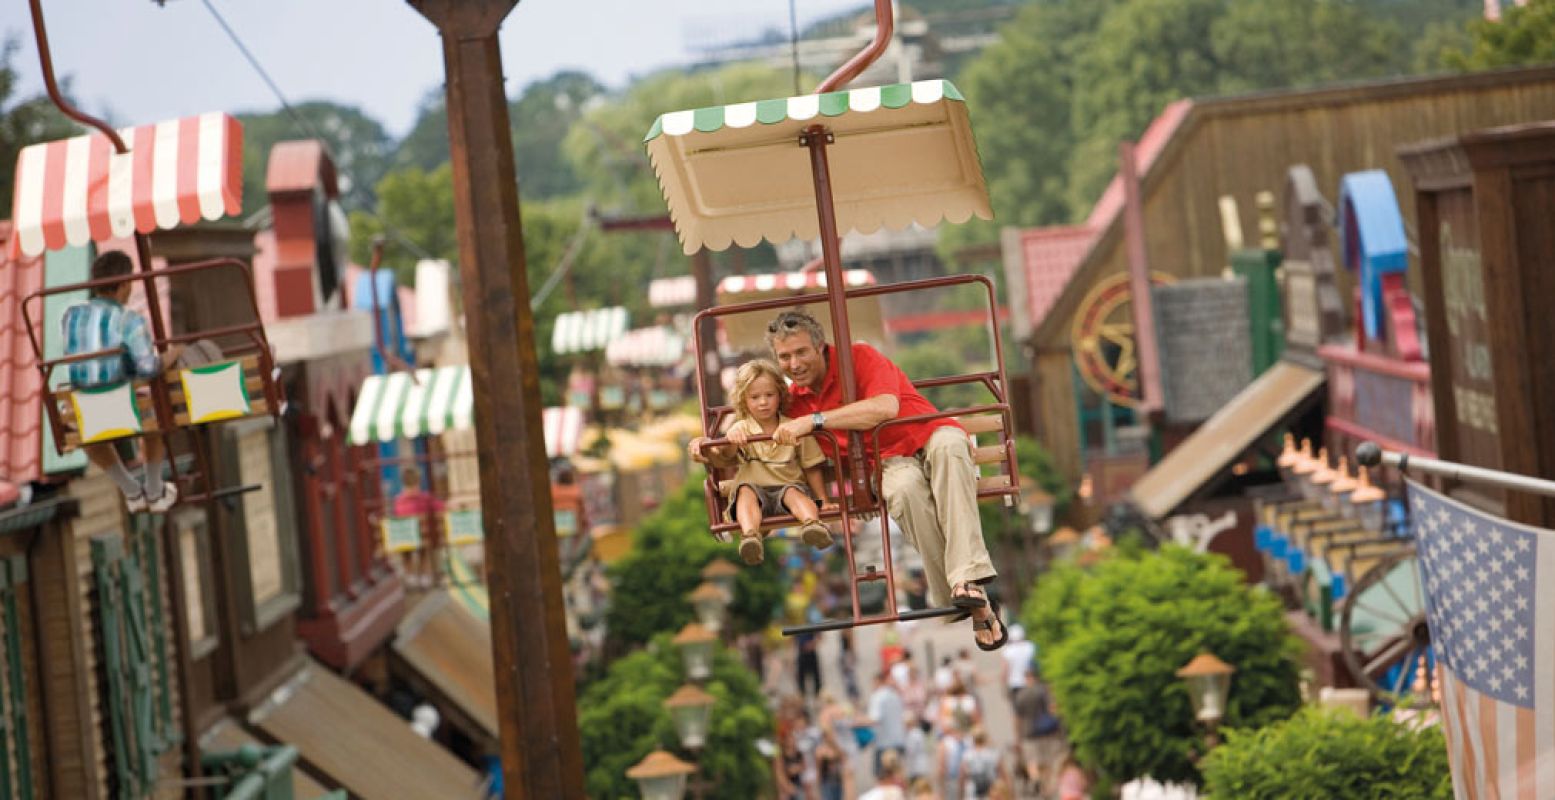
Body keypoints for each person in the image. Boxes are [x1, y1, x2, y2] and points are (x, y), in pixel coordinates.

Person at [765, 309, 1006, 650]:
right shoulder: (794, 402)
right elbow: (751, 418)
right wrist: (708, 445)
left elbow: (884, 408)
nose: (794, 363)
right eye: (784, 357)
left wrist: (816, 421)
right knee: (904, 491)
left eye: (801, 352)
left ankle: (964, 582)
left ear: (820, 346)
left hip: (927, 432)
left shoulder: (857, 358)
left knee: (951, 447)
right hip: (886, 462)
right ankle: (971, 593)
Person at [62, 250, 187, 513]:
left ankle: (131, 490)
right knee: (157, 413)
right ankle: (153, 489)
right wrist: (174, 352)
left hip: (85, 410)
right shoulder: (130, 320)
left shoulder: (70, 316)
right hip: (125, 407)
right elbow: (148, 367)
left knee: (88, 433)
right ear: (124, 283)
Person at [690, 359, 832, 565]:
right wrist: (732, 440)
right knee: (745, 492)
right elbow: (726, 457)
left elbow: (811, 467)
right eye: (755, 397)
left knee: (795, 493)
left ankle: (812, 525)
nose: (763, 402)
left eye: (769, 395)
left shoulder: (794, 428)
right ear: (744, 400)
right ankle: (750, 536)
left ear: (780, 395)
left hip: (788, 486)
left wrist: (823, 501)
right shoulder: (742, 429)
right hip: (755, 490)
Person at [1013, 665, 1064, 799]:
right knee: (1046, 761)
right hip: (1046, 731)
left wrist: (1017, 737)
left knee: (1031, 760)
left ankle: (1035, 779)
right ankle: (1046, 790)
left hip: (1028, 732)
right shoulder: (1043, 691)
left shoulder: (1020, 695)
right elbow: (1052, 709)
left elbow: (1017, 718)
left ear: (1025, 678)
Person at [393, 464, 445, 588]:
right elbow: (440, 507)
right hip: (422, 536)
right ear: (418, 481)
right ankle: (425, 575)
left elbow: (396, 515)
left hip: (405, 538)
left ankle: (410, 575)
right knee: (424, 546)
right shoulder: (425, 498)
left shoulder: (399, 500)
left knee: (405, 548)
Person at [868, 669, 908, 777]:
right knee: (898, 775)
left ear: (878, 681)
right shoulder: (895, 695)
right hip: (899, 740)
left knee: (883, 777)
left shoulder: (878, 696)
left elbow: (874, 719)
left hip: (884, 744)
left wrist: (853, 722)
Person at [1000, 624, 1036, 704]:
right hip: (1030, 683)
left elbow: (1005, 671)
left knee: (1018, 711)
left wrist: (1003, 687)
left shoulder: (1007, 651)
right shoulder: (1030, 647)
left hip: (1015, 685)